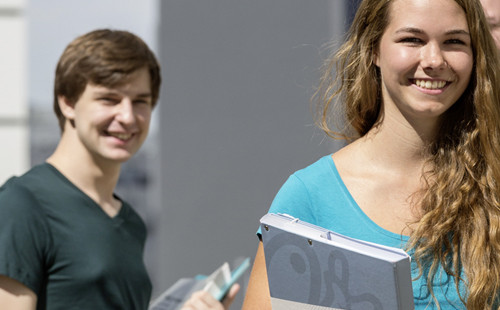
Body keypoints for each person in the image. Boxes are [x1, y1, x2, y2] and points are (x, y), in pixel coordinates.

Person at [242, 0, 500, 308]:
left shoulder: (494, 182)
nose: (434, 59)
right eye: (412, 39)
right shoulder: (310, 197)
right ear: (373, 48)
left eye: (454, 42)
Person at [0, 29, 238, 310]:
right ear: (68, 103)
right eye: (109, 99)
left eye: (140, 101)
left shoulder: (129, 222)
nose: (127, 117)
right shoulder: (21, 204)